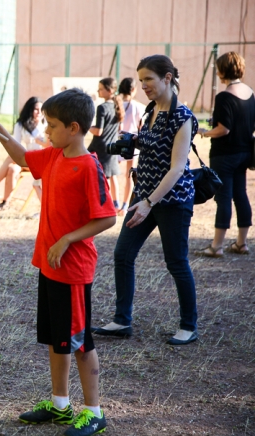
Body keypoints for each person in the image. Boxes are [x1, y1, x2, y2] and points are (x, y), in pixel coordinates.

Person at [0, 89, 117, 436]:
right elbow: (24, 157)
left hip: (73, 271)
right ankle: (59, 404)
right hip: (51, 266)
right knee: (58, 340)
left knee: (80, 343)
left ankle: (94, 412)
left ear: (73, 128)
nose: (45, 130)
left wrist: (68, 238)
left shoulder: (88, 166)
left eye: (51, 126)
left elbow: (107, 218)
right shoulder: (55, 154)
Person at [93, 55, 200, 345]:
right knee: (123, 254)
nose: (143, 86)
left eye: (149, 79)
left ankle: (188, 326)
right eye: (140, 80)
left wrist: (149, 201)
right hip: (144, 196)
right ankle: (121, 320)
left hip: (172, 199)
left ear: (167, 78)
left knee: (176, 262)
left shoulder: (183, 116)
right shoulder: (150, 111)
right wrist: (134, 143)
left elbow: (177, 168)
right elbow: (152, 148)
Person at [194, 51, 253, 257]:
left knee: (223, 198)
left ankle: (216, 246)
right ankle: (241, 243)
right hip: (245, 152)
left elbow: (224, 129)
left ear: (221, 71)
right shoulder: (250, 93)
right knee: (241, 195)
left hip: (224, 154)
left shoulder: (224, 96)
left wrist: (205, 132)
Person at [0, 97, 49, 211]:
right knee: (12, 168)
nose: (39, 113)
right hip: (26, 158)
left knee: (11, 160)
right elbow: (16, 144)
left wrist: (41, 142)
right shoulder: (21, 125)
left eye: (40, 109)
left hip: (41, 159)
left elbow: (50, 145)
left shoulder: (46, 124)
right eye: (36, 109)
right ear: (30, 110)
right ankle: (5, 201)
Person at [88, 77, 124, 210]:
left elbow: (98, 131)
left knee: (100, 179)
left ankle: (102, 204)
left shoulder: (102, 107)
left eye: (101, 89)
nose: (98, 91)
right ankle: (116, 204)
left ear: (109, 91)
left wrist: (86, 127)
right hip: (112, 147)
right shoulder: (117, 105)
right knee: (113, 176)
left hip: (100, 148)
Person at [117, 78, 147, 215]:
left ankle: (114, 202)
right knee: (129, 175)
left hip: (118, 141)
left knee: (113, 176)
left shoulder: (116, 104)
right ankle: (124, 205)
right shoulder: (139, 106)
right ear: (134, 90)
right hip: (132, 144)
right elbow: (141, 127)